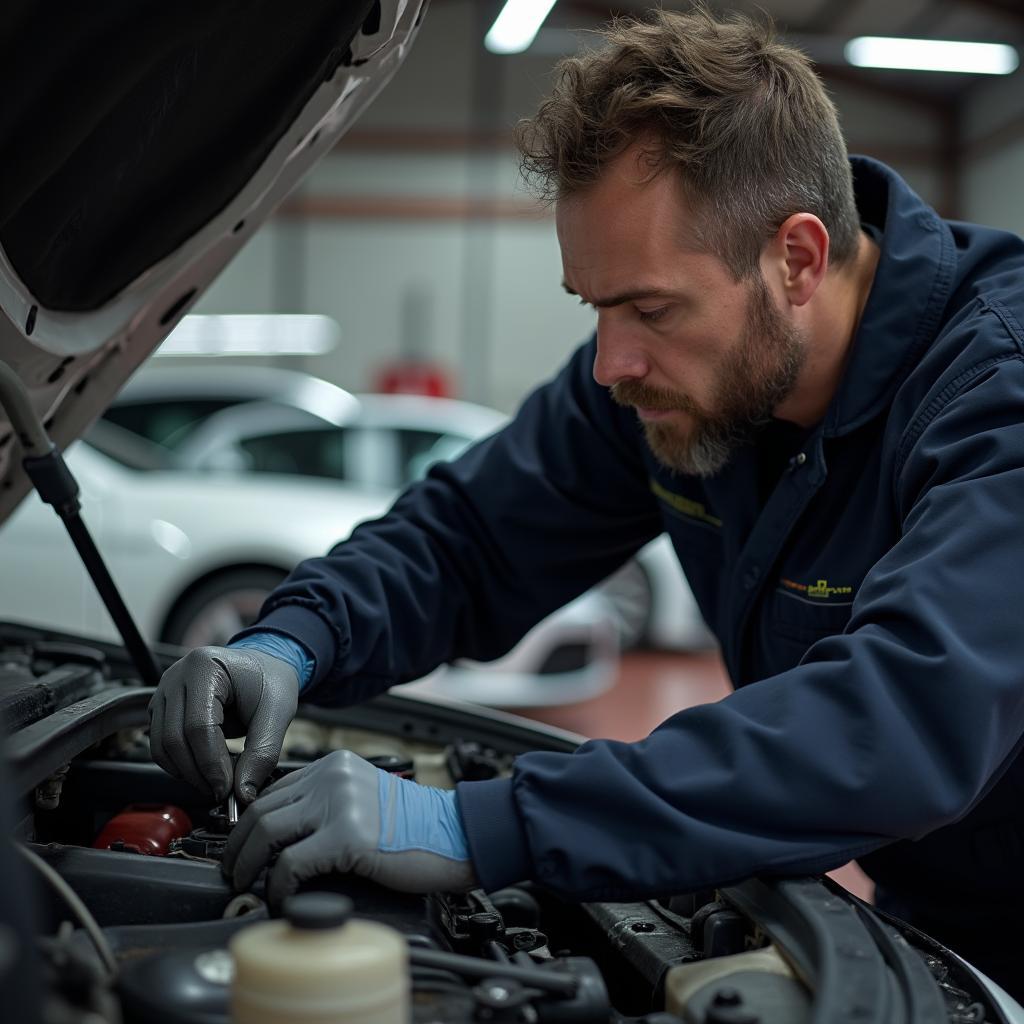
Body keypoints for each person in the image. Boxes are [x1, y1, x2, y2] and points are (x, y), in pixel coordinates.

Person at [148, 6, 1024, 995]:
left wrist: (483, 824)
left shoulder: (996, 393)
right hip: (945, 913)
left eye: (649, 307)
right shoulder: (669, 380)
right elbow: (470, 538)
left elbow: (902, 720)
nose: (612, 362)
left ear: (797, 257)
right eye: (594, 306)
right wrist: (292, 641)